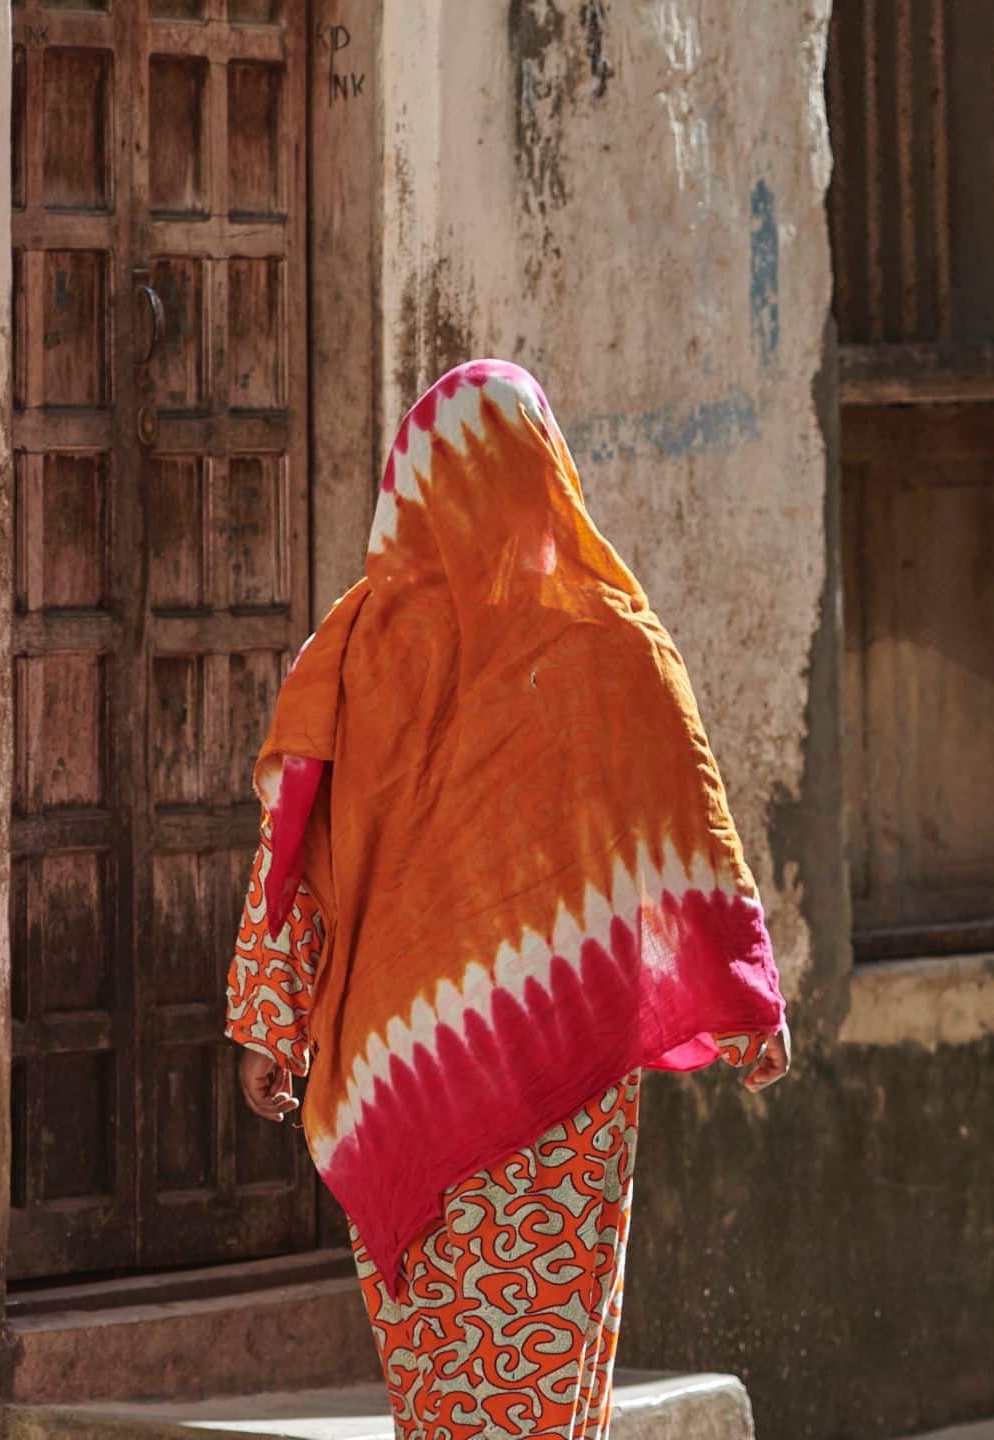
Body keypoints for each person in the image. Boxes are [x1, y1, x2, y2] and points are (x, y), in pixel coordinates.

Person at [223, 359, 790, 1439]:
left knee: (451, 1382)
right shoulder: (609, 648)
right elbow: (689, 833)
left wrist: (270, 1020)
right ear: (544, 474)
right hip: (559, 1085)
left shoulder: (360, 650)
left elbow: (291, 851)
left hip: (405, 1066)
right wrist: (746, 998)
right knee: (543, 1365)